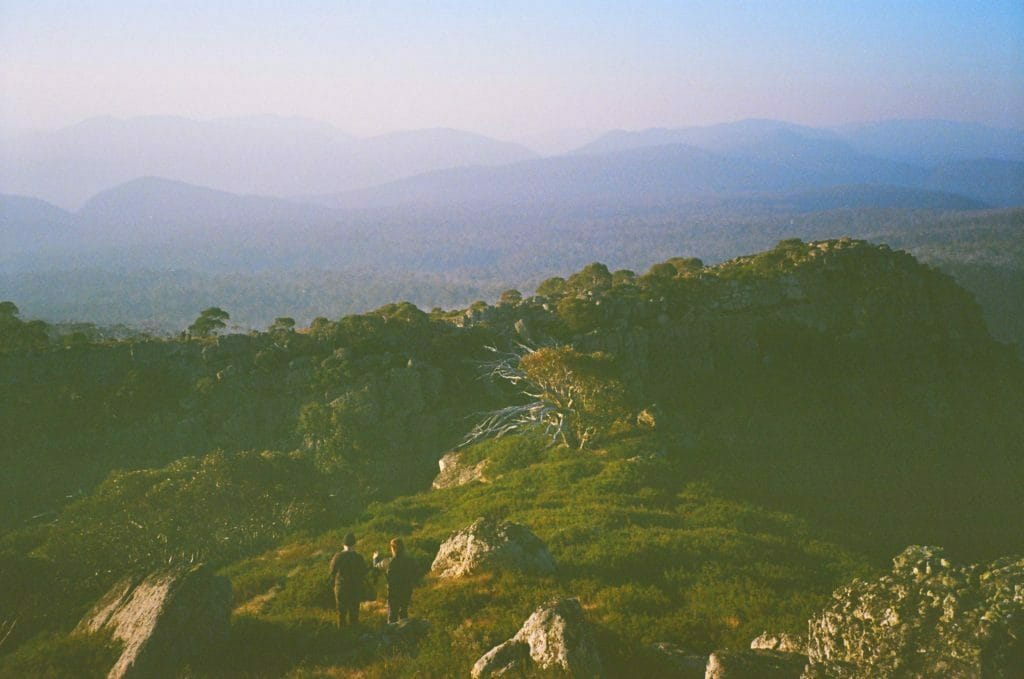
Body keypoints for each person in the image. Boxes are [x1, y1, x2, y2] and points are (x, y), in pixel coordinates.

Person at [373, 538, 418, 624]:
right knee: (404, 613)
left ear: (393, 548)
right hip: (406, 590)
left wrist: (375, 558)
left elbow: (376, 566)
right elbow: (415, 573)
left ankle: (392, 634)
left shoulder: (388, 562)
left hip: (393, 592)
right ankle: (404, 632)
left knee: (392, 616)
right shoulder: (410, 560)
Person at [329, 532, 367, 628]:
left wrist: (333, 585)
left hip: (341, 588)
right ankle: (354, 638)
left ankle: (343, 639)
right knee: (354, 616)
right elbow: (364, 573)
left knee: (341, 616)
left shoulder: (338, 556)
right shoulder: (359, 557)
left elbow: (332, 572)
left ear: (343, 544)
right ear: (355, 544)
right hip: (355, 589)